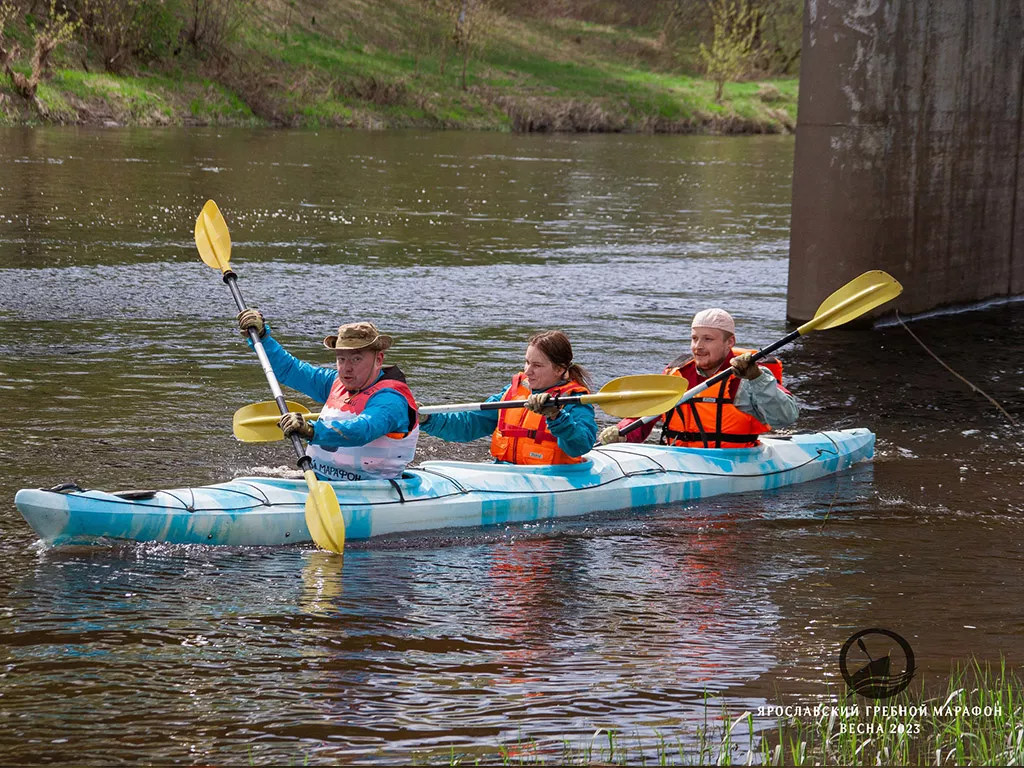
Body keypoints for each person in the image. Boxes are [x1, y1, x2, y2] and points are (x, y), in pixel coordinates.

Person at [237, 310, 418, 481]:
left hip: (374, 489)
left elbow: (363, 430)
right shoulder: (334, 383)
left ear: (378, 360)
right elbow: (290, 369)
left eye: (356, 359)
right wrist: (262, 337)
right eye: (341, 359)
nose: (346, 368)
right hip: (319, 481)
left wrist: (311, 430)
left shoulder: (391, 400)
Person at [599, 308, 797, 448]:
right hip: (679, 459)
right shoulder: (677, 373)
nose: (698, 346)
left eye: (708, 339)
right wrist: (622, 432)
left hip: (736, 461)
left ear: (730, 342)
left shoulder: (750, 375)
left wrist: (756, 379)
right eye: (695, 338)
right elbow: (645, 415)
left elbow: (785, 417)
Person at [420, 330, 598, 464]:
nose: (528, 371)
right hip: (505, 473)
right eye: (527, 362)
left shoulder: (574, 400)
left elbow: (580, 446)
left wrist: (555, 416)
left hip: (551, 477)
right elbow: (468, 425)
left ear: (560, 369)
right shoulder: (512, 394)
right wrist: (427, 419)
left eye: (537, 365)